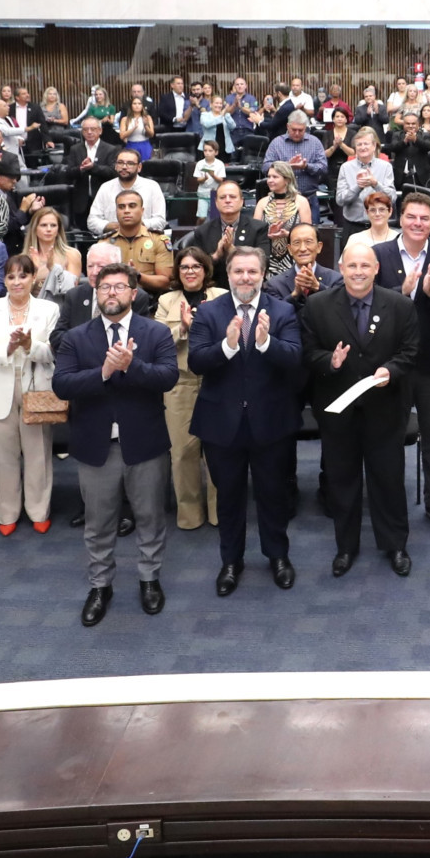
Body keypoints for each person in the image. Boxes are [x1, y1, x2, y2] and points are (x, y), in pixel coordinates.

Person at [53, 261, 182, 625]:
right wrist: (105, 373)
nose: (111, 292)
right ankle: (100, 585)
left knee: (150, 517)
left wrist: (132, 367)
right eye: (104, 287)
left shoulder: (155, 333)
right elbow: (62, 385)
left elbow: (168, 377)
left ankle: (149, 579)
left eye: (118, 287)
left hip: (145, 445)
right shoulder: (76, 337)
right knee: (98, 523)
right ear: (96, 293)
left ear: (133, 293)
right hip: (95, 447)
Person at [190, 245, 304, 594]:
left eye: (252, 271)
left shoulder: (282, 311)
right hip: (222, 424)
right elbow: (196, 362)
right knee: (229, 497)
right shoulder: (209, 312)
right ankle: (231, 561)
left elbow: (295, 358)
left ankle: (278, 556)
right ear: (228, 275)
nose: (245, 277)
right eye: (239, 271)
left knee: (273, 494)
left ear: (263, 274)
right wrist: (227, 346)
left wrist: (267, 342)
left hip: (270, 421)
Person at [303, 242, 419, 578]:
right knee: (343, 482)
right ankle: (346, 547)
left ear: (376, 269)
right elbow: (308, 353)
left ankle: (395, 545)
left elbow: (410, 352)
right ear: (341, 267)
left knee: (388, 480)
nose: (358, 272)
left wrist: (391, 371)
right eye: (352, 266)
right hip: (339, 413)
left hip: (385, 410)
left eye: (365, 266)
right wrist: (330, 361)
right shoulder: (317, 305)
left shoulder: (399, 305)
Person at [374, 192, 430, 534]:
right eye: (412, 217)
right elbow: (368, 304)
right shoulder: (379, 255)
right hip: (391, 366)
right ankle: (389, 499)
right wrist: (402, 290)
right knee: (390, 436)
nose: (418, 224)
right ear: (400, 217)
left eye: (425, 219)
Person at [0, 253, 60, 537]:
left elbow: (56, 351)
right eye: (11, 276)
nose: (17, 282)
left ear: (33, 278)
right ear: (4, 280)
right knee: (2, 456)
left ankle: (38, 510)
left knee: (38, 454)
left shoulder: (49, 309)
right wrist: (6, 350)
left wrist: (31, 344)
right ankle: (6, 512)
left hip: (37, 386)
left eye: (23, 276)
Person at [154, 246, 223, 531]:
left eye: (196, 266)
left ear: (206, 270)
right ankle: (190, 515)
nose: (190, 272)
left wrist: (203, 327)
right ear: (177, 272)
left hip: (217, 383)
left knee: (219, 452)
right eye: (184, 267)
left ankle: (220, 512)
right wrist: (183, 329)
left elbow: (232, 335)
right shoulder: (166, 300)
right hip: (180, 385)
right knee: (183, 454)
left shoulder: (221, 298)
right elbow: (156, 342)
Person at [85, 149, 167, 237]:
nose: (124, 167)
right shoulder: (106, 187)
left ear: (139, 167)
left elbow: (160, 221)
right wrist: (113, 226)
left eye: (130, 163)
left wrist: (135, 225)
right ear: (116, 166)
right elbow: (92, 221)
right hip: (113, 241)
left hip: (145, 240)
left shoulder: (152, 187)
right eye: (120, 162)